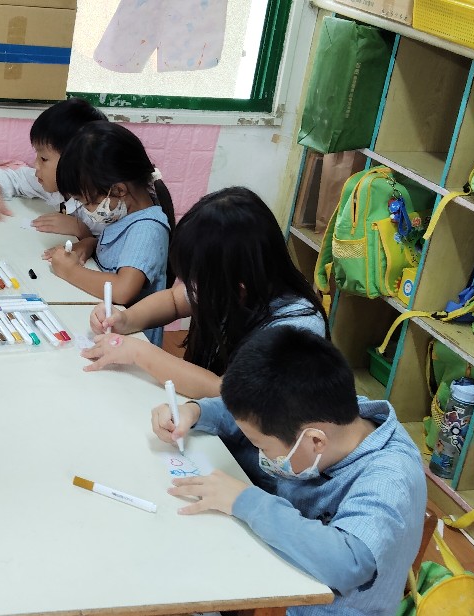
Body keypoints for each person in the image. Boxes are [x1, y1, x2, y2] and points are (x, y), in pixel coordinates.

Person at [152, 327, 425, 616]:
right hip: (288, 578)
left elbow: (349, 563)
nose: (260, 453)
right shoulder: (329, 415)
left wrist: (246, 501)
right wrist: (195, 412)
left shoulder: (391, 478)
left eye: (263, 447)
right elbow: (250, 417)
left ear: (315, 441)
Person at [81, 187, 326, 399]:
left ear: (239, 288)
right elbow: (174, 300)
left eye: (197, 281)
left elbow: (227, 391)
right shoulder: (234, 281)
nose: (193, 289)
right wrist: (125, 319)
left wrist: (139, 353)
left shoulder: (296, 329)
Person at [42, 121, 175, 345]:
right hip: (106, 328)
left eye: (90, 203)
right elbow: (118, 251)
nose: (87, 210)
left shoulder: (147, 229)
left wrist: (70, 271)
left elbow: (123, 289)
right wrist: (90, 243)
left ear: (119, 190)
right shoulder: (125, 214)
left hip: (130, 344)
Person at [0, 98, 106, 239]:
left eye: (43, 159)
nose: (35, 165)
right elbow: (12, 177)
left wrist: (81, 230)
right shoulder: (55, 185)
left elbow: (108, 250)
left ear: (76, 163)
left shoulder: (106, 209)